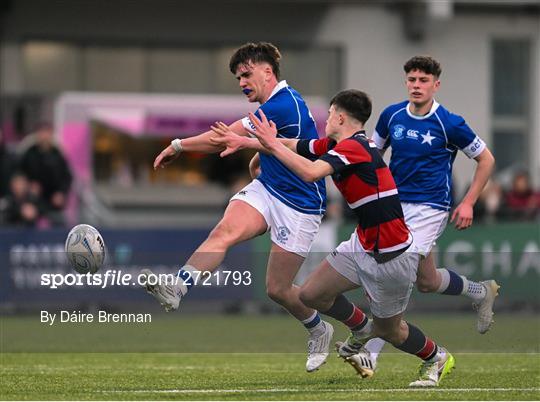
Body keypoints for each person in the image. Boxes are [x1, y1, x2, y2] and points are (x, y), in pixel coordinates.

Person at [214, 89, 455, 387]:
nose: (325, 119)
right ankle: (363, 329)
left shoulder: (355, 148)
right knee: (311, 295)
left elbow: (312, 173)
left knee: (393, 332)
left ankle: (436, 357)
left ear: (340, 116)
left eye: (329, 114)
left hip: (392, 254)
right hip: (362, 243)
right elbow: (297, 146)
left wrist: (271, 146)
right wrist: (250, 143)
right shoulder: (335, 144)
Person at [143, 42, 348, 372]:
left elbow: (221, 139)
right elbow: (271, 143)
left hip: (300, 205)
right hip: (267, 189)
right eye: (238, 77)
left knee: (277, 289)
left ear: (268, 72)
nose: (241, 82)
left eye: (246, 74)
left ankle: (319, 329)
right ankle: (178, 287)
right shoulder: (276, 104)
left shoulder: (284, 104)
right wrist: (258, 158)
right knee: (223, 230)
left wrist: (178, 144)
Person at [350, 55, 498, 375]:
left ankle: (371, 352)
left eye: (423, 81)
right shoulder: (391, 116)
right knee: (428, 281)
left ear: (436, 84)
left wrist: (469, 201)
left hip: (431, 209)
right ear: (406, 82)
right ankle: (481, 291)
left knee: (391, 269)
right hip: (393, 207)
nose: (417, 86)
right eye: (412, 80)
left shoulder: (450, 123)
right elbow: (371, 157)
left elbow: (486, 160)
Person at [19, 122, 72, 225]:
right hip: (33, 199)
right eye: (41, 132)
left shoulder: (57, 154)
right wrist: (28, 187)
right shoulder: (29, 153)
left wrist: (61, 193)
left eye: (46, 132)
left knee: (60, 222)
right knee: (27, 219)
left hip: (54, 200)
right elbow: (20, 175)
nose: (44, 136)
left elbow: (67, 177)